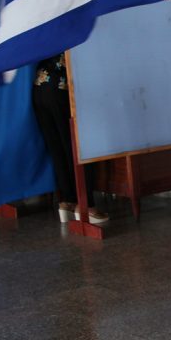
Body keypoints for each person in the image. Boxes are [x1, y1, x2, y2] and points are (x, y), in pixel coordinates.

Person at [32, 53, 108, 226]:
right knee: (81, 145)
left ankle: (67, 201)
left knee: (57, 148)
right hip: (65, 85)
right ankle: (86, 205)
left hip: (40, 84)